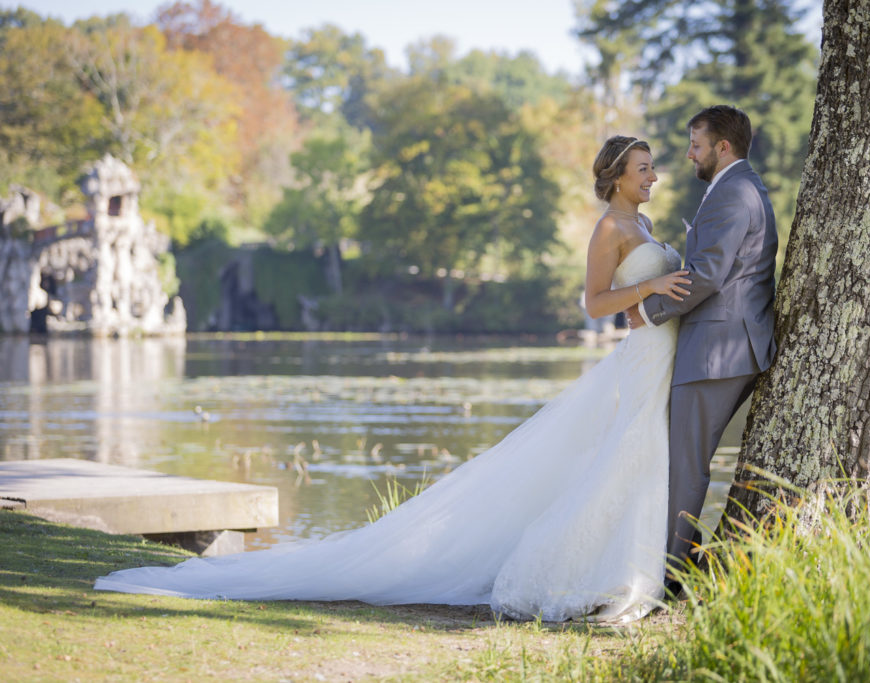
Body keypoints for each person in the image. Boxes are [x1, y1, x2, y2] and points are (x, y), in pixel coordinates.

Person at [95, 136, 691, 624]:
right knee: (629, 456)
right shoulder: (609, 230)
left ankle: (626, 570)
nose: (654, 177)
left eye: (653, 169)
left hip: (656, 356)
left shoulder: (645, 223)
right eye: (644, 169)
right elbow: (593, 303)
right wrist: (650, 288)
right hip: (639, 357)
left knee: (634, 459)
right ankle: (602, 575)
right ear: (616, 178)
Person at [626, 105, 778, 587]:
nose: (690, 154)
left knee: (685, 464)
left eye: (696, 144)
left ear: (722, 147)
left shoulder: (733, 193)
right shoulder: (741, 187)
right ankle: (675, 566)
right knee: (684, 460)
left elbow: (709, 274)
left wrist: (648, 313)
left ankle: (670, 576)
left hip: (718, 349)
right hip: (727, 343)